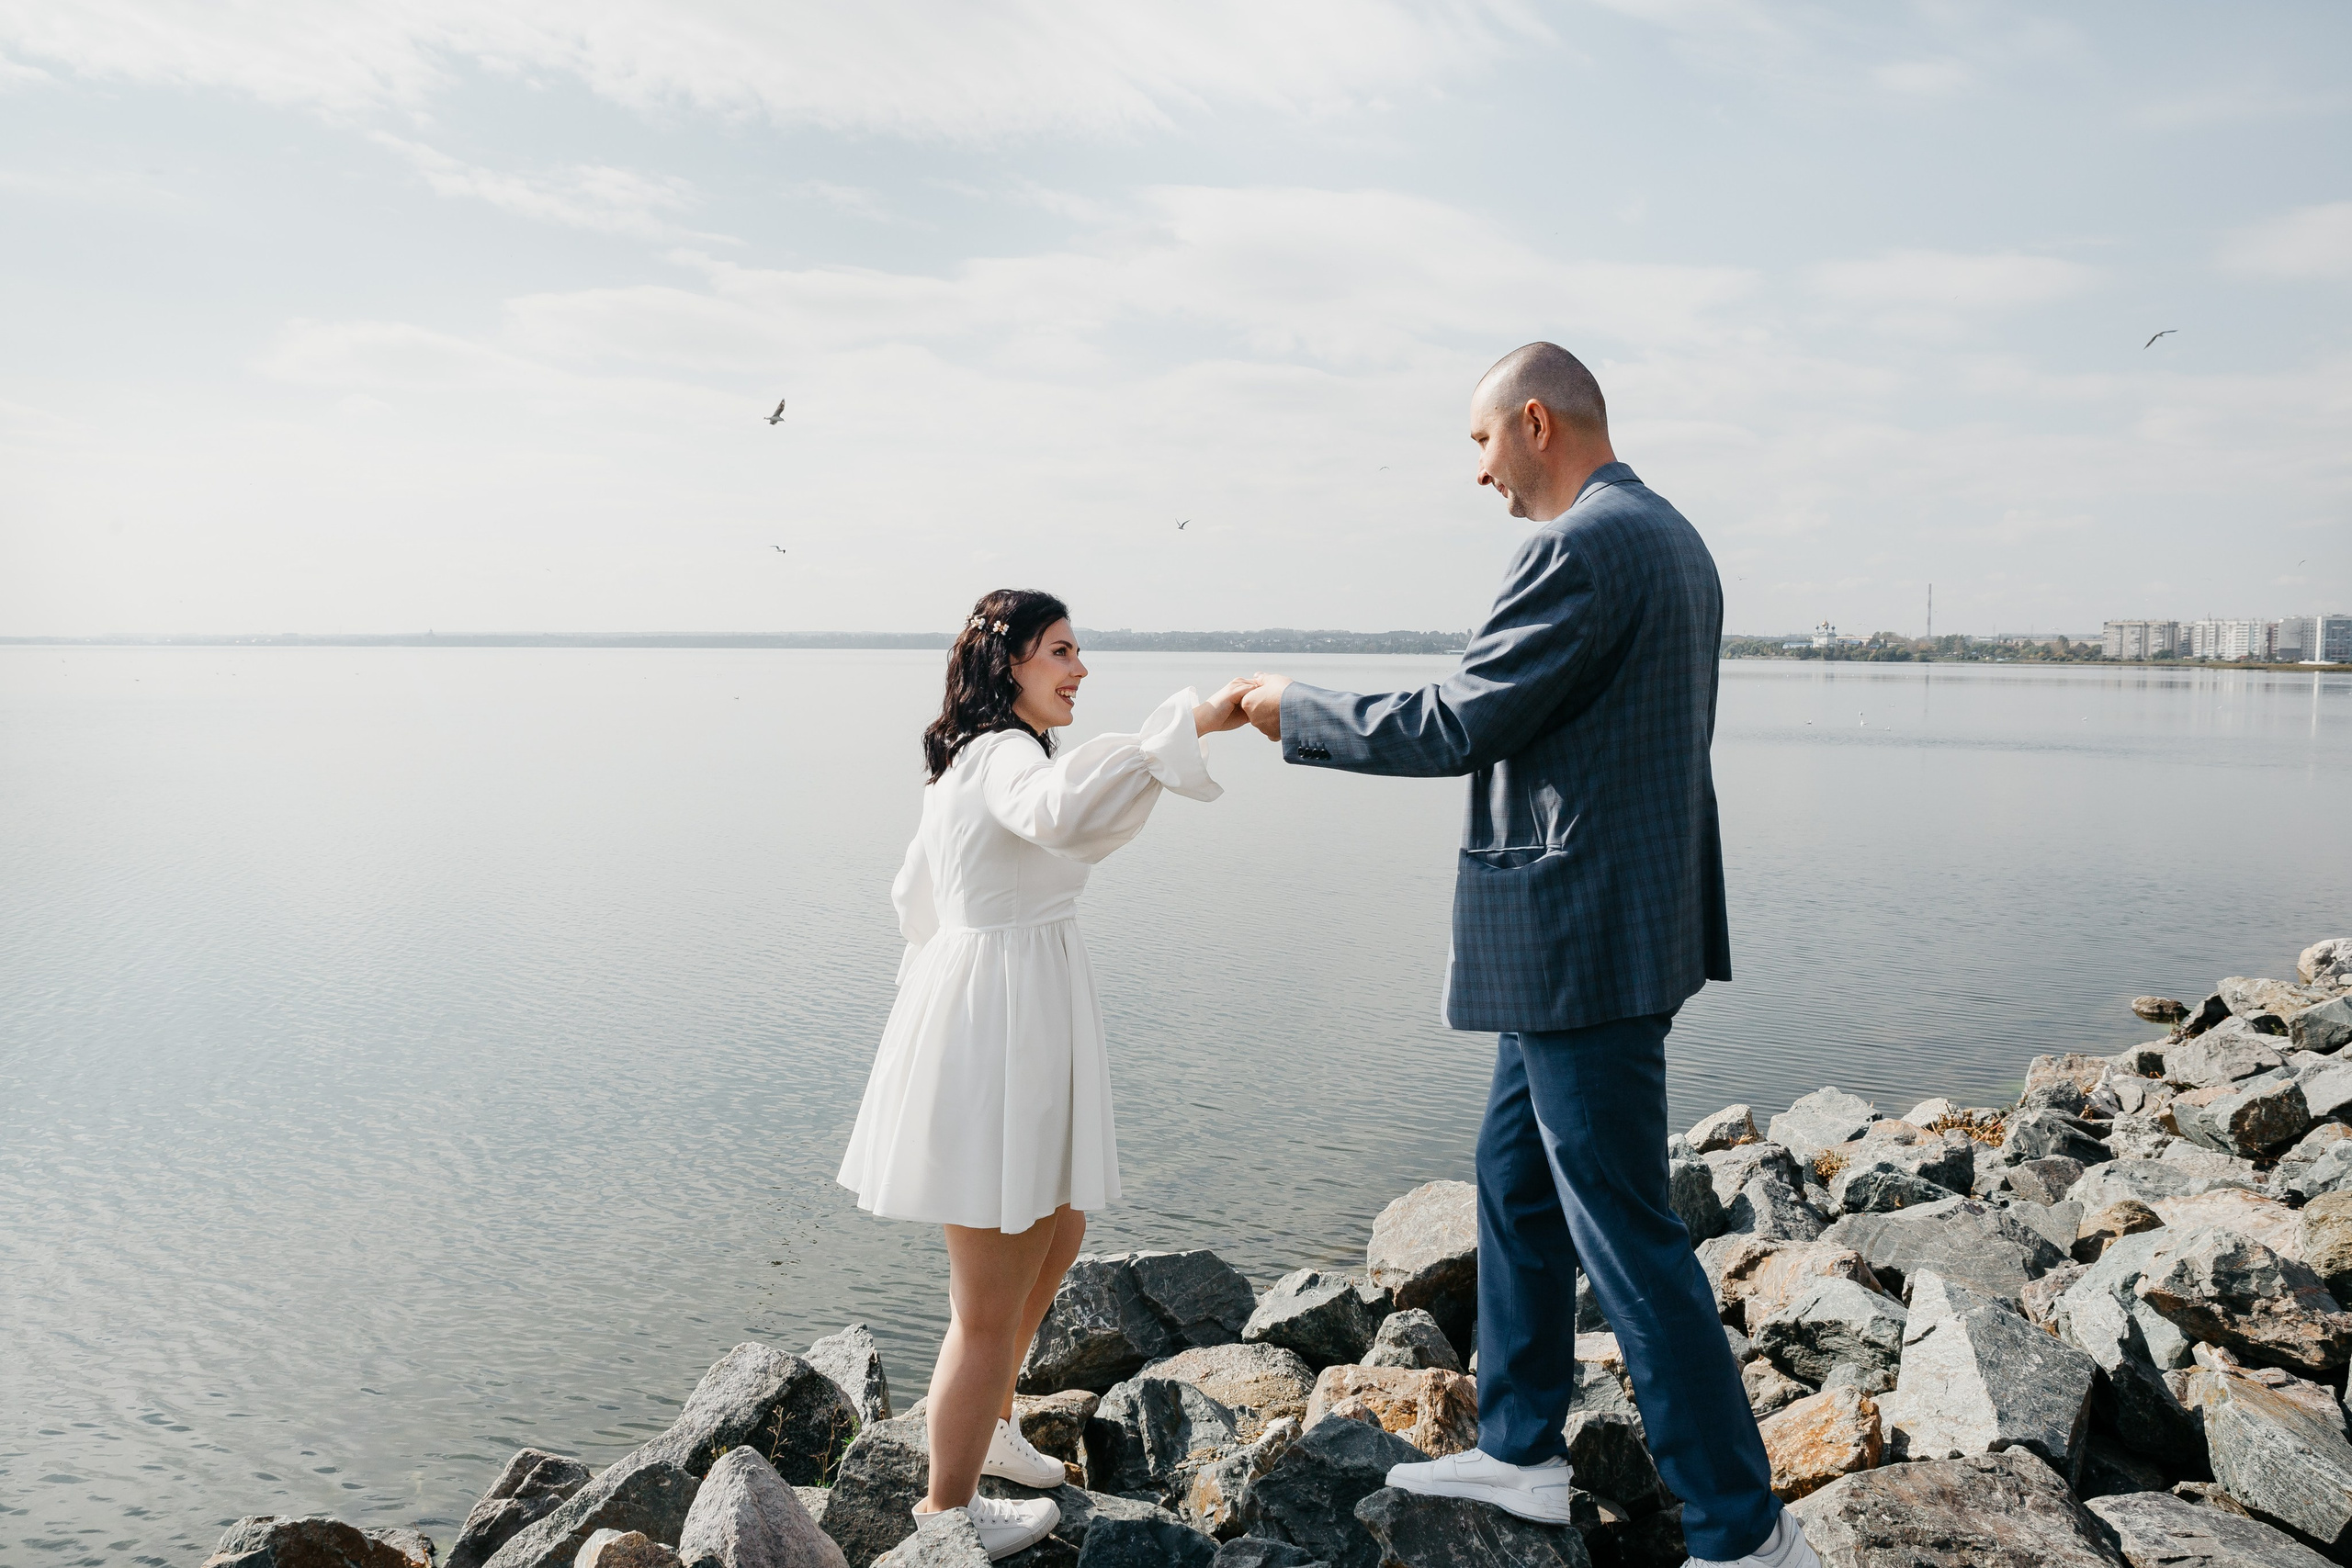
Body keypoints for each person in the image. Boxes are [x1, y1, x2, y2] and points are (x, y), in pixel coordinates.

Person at [1235, 344, 1818, 1568]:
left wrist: (1300, 706)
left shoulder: (1578, 548)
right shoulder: (1673, 535)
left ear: (1537, 421)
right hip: (1614, 927)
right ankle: (1521, 1449)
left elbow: (1465, 718)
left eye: (1479, 440)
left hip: (1579, 942)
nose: (1477, 470)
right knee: (1513, 1181)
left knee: (1627, 1235)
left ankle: (1743, 1528)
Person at [837, 589, 1255, 1561]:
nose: (1079, 668)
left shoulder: (964, 765)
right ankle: (944, 1516)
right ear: (1009, 663)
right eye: (1060, 651)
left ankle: (987, 1423)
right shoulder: (1007, 758)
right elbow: (1061, 816)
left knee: (1059, 1227)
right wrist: (1184, 726)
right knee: (987, 1305)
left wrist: (967, 963)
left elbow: (913, 898)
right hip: (1005, 1023)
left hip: (1006, 1007)